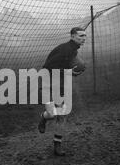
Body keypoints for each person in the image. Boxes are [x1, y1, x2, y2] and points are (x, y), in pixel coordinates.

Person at [37, 27, 86, 156]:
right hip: (48, 81)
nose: (83, 38)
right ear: (72, 36)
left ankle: (57, 145)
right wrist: (68, 72)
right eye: (80, 36)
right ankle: (43, 117)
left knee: (62, 114)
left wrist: (72, 71)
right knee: (52, 114)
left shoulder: (73, 50)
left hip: (60, 83)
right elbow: (49, 67)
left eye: (85, 36)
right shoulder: (65, 49)